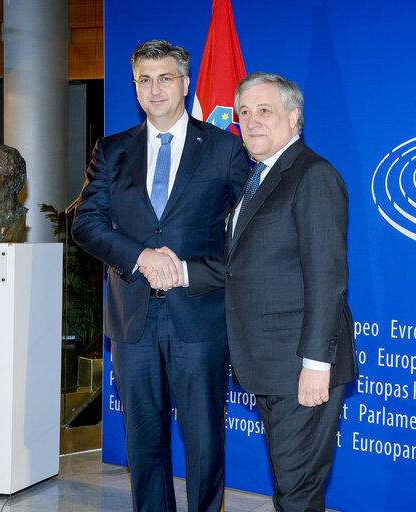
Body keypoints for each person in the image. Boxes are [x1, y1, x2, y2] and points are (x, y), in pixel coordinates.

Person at [149, 72, 357, 512]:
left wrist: (316, 364)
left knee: (297, 491)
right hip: (269, 365)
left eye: (265, 110)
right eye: (244, 112)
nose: (251, 121)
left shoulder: (313, 175)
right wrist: (181, 270)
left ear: (294, 117)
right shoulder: (259, 177)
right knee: (289, 486)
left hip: (300, 365)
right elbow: (238, 265)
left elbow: (327, 278)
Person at [71, 40, 250, 512]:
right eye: (144, 80)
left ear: (185, 83)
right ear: (135, 86)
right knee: (144, 446)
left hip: (200, 318)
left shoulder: (225, 148)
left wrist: (193, 272)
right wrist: (141, 257)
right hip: (132, 320)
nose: (155, 89)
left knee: (205, 444)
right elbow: (85, 224)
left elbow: (249, 234)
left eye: (165, 78)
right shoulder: (111, 151)